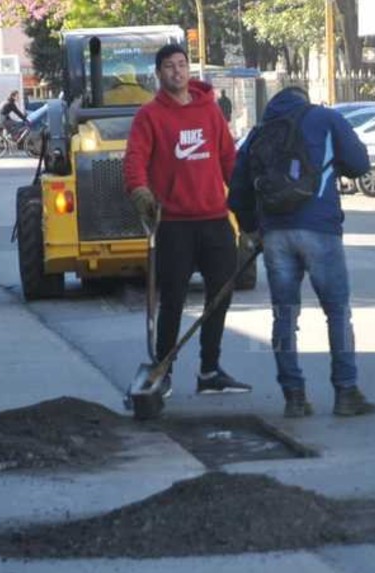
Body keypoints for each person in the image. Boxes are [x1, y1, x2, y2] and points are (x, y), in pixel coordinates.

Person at [227, 86, 375, 419]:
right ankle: (346, 392)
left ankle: (294, 397)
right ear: (304, 99)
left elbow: (236, 189)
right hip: (319, 229)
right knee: (337, 312)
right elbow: (359, 163)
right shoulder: (325, 118)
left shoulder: (259, 132)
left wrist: (255, 230)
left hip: (276, 235)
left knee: (284, 316)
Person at [123, 43, 248, 398]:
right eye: (169, 66)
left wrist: (245, 206)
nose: (177, 71)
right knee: (173, 299)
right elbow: (135, 159)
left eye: (182, 64)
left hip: (214, 220)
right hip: (174, 223)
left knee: (220, 295)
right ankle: (164, 370)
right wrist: (139, 191)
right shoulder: (149, 116)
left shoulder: (210, 112)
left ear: (189, 69)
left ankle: (210, 370)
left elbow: (229, 160)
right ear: (159, 74)